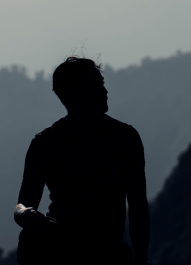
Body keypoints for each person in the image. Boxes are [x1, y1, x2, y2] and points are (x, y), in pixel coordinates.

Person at [14, 57, 150, 265]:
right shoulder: (45, 144)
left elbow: (138, 206)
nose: (104, 91)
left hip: (107, 250)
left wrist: (141, 261)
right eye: (95, 86)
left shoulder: (125, 138)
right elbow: (23, 204)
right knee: (31, 238)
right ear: (71, 94)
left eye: (102, 84)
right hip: (59, 246)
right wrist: (26, 213)